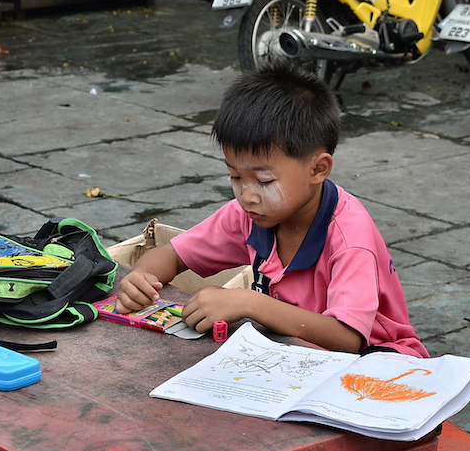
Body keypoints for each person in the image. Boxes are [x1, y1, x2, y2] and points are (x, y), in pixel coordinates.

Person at [115, 62, 428, 358]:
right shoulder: (250, 215)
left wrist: (250, 303)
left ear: (318, 169)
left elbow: (347, 337)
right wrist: (141, 278)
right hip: (299, 356)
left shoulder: (349, 238)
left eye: (263, 180)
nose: (247, 195)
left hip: (378, 362)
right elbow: (173, 254)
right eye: (236, 177)